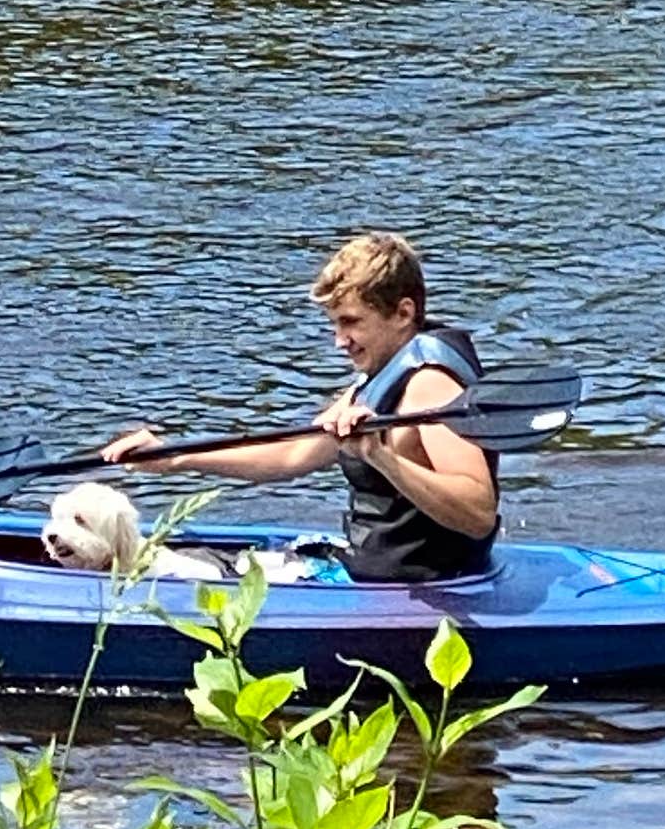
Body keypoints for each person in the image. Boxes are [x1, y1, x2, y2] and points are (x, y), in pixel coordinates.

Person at [106, 230, 500, 582]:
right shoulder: (387, 372)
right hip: (368, 569)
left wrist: (382, 458)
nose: (339, 340)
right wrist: (175, 457)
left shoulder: (430, 385)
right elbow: (292, 452)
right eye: (335, 324)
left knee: (168, 572)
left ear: (403, 313)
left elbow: (477, 513)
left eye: (351, 322)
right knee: (197, 560)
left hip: (416, 586)